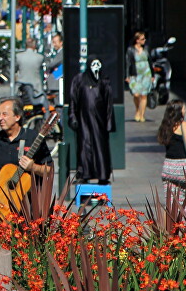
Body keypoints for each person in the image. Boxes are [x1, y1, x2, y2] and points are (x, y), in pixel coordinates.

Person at [0, 97, 52, 187]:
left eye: (4, 114)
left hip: (28, 198)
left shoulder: (33, 138)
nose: (0, 118)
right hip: (1, 196)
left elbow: (50, 170)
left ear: (17, 117)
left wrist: (34, 167)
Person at [68, 56, 115, 184]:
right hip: (83, 120)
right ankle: (84, 173)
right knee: (84, 146)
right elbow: (73, 100)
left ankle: (103, 174)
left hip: (100, 122)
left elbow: (109, 103)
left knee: (100, 147)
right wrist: (72, 116)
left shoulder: (104, 80)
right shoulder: (79, 80)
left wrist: (109, 123)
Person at [157, 99, 186, 202]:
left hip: (168, 167)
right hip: (182, 168)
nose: (185, 110)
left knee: (171, 204)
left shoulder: (165, 126)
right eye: (184, 108)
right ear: (179, 111)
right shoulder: (183, 125)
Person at [126, 31, 153, 122]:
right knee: (136, 94)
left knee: (144, 95)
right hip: (135, 74)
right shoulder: (131, 50)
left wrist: (152, 75)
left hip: (146, 73)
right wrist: (127, 76)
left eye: (144, 39)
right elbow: (128, 63)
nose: (144, 40)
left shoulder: (146, 49)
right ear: (137, 40)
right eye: (142, 39)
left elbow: (150, 61)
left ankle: (142, 115)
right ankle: (137, 109)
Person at [16, 38, 45, 106]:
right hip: (36, 88)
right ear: (34, 46)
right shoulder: (40, 57)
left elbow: (15, 69)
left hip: (22, 87)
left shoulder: (19, 56)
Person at [45, 33, 63, 97]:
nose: (54, 45)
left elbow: (52, 64)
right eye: (53, 42)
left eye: (55, 42)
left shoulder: (61, 53)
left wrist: (46, 65)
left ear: (61, 43)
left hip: (56, 82)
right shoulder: (58, 53)